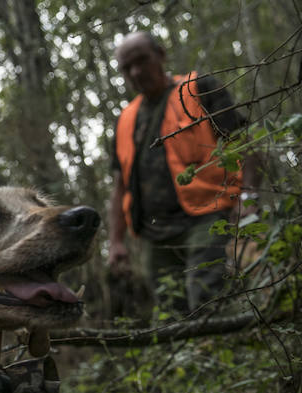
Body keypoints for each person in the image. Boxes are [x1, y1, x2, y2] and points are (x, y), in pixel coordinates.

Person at [108, 31, 258, 316]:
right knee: (170, 311)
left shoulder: (199, 89)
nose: (136, 71)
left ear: (161, 56)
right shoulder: (125, 120)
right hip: (154, 233)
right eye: (127, 67)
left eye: (142, 60)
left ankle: (225, 351)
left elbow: (244, 142)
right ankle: (190, 359)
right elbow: (119, 186)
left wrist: (248, 196)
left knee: (206, 296)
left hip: (207, 215)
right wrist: (116, 242)